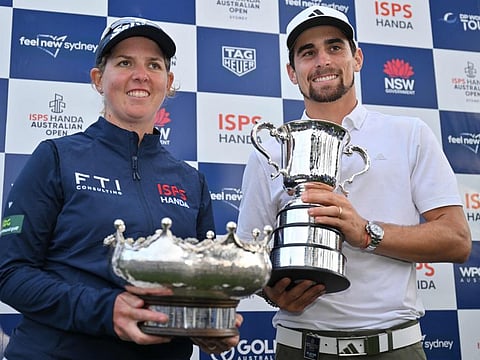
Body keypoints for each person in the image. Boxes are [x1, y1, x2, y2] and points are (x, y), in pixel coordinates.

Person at [237, 5, 472, 360]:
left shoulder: (409, 134)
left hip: (395, 346)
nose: (322, 61)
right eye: (307, 53)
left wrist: (366, 232)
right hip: (301, 346)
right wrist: (272, 293)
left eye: (334, 47)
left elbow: (457, 240)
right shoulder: (268, 149)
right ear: (292, 70)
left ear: (357, 58)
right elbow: (247, 254)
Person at [0, 17, 241, 360]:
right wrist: (106, 310)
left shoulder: (191, 181)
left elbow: (199, 289)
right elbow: (9, 272)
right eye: (125, 62)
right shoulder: (56, 156)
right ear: (99, 79)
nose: (140, 75)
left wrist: (206, 324)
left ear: (168, 82)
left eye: (153, 65)